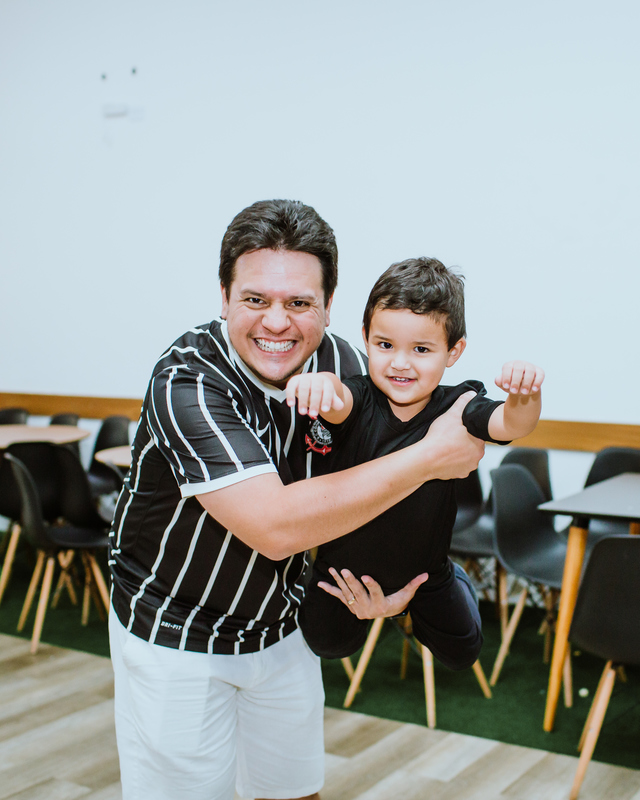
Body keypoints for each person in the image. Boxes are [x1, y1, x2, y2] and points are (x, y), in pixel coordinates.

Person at [108, 201, 486, 800]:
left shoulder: (349, 366)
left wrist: (385, 587)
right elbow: (275, 527)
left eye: (300, 303)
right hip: (178, 632)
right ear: (225, 297)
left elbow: (378, 493)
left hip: (283, 626)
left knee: (295, 794)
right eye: (255, 300)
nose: (277, 323)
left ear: (330, 306)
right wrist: (430, 456)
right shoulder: (187, 380)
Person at [286, 257, 545, 670]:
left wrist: (524, 395)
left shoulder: (456, 408)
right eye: (385, 345)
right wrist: (319, 384)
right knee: (325, 643)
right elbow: (336, 400)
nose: (400, 363)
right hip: (341, 574)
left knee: (462, 652)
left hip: (426, 574)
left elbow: (509, 423)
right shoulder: (360, 395)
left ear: (453, 352)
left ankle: (453, 582)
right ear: (366, 338)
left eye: (421, 349)